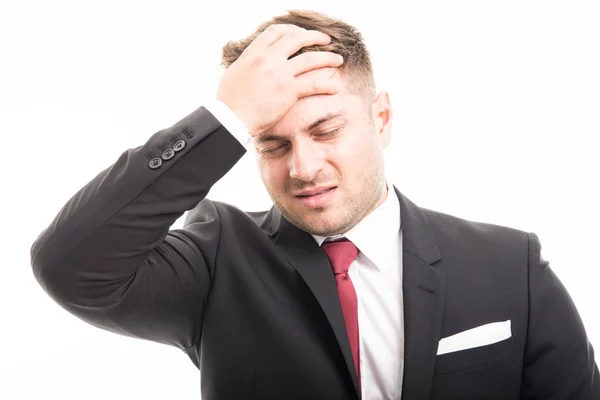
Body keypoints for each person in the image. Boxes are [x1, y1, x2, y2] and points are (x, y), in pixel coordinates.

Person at [30, 9, 598, 400]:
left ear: (381, 118)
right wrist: (225, 119)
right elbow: (70, 265)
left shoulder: (509, 263)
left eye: (325, 129)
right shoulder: (216, 258)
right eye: (272, 143)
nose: (302, 168)